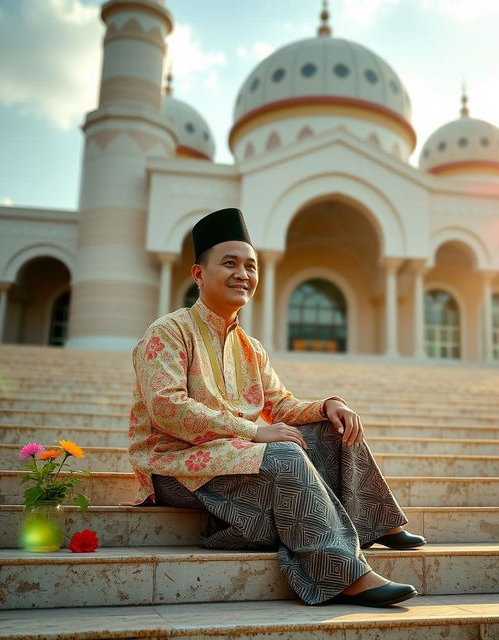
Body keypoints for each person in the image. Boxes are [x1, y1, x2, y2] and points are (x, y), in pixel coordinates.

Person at [128, 208, 426, 608]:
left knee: (331, 429)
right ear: (198, 274)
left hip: (235, 456)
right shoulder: (168, 331)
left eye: (250, 266)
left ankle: (373, 522)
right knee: (284, 452)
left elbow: (280, 405)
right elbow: (167, 409)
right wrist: (253, 431)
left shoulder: (250, 348)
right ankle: (345, 575)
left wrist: (328, 405)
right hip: (176, 465)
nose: (242, 274)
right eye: (229, 263)